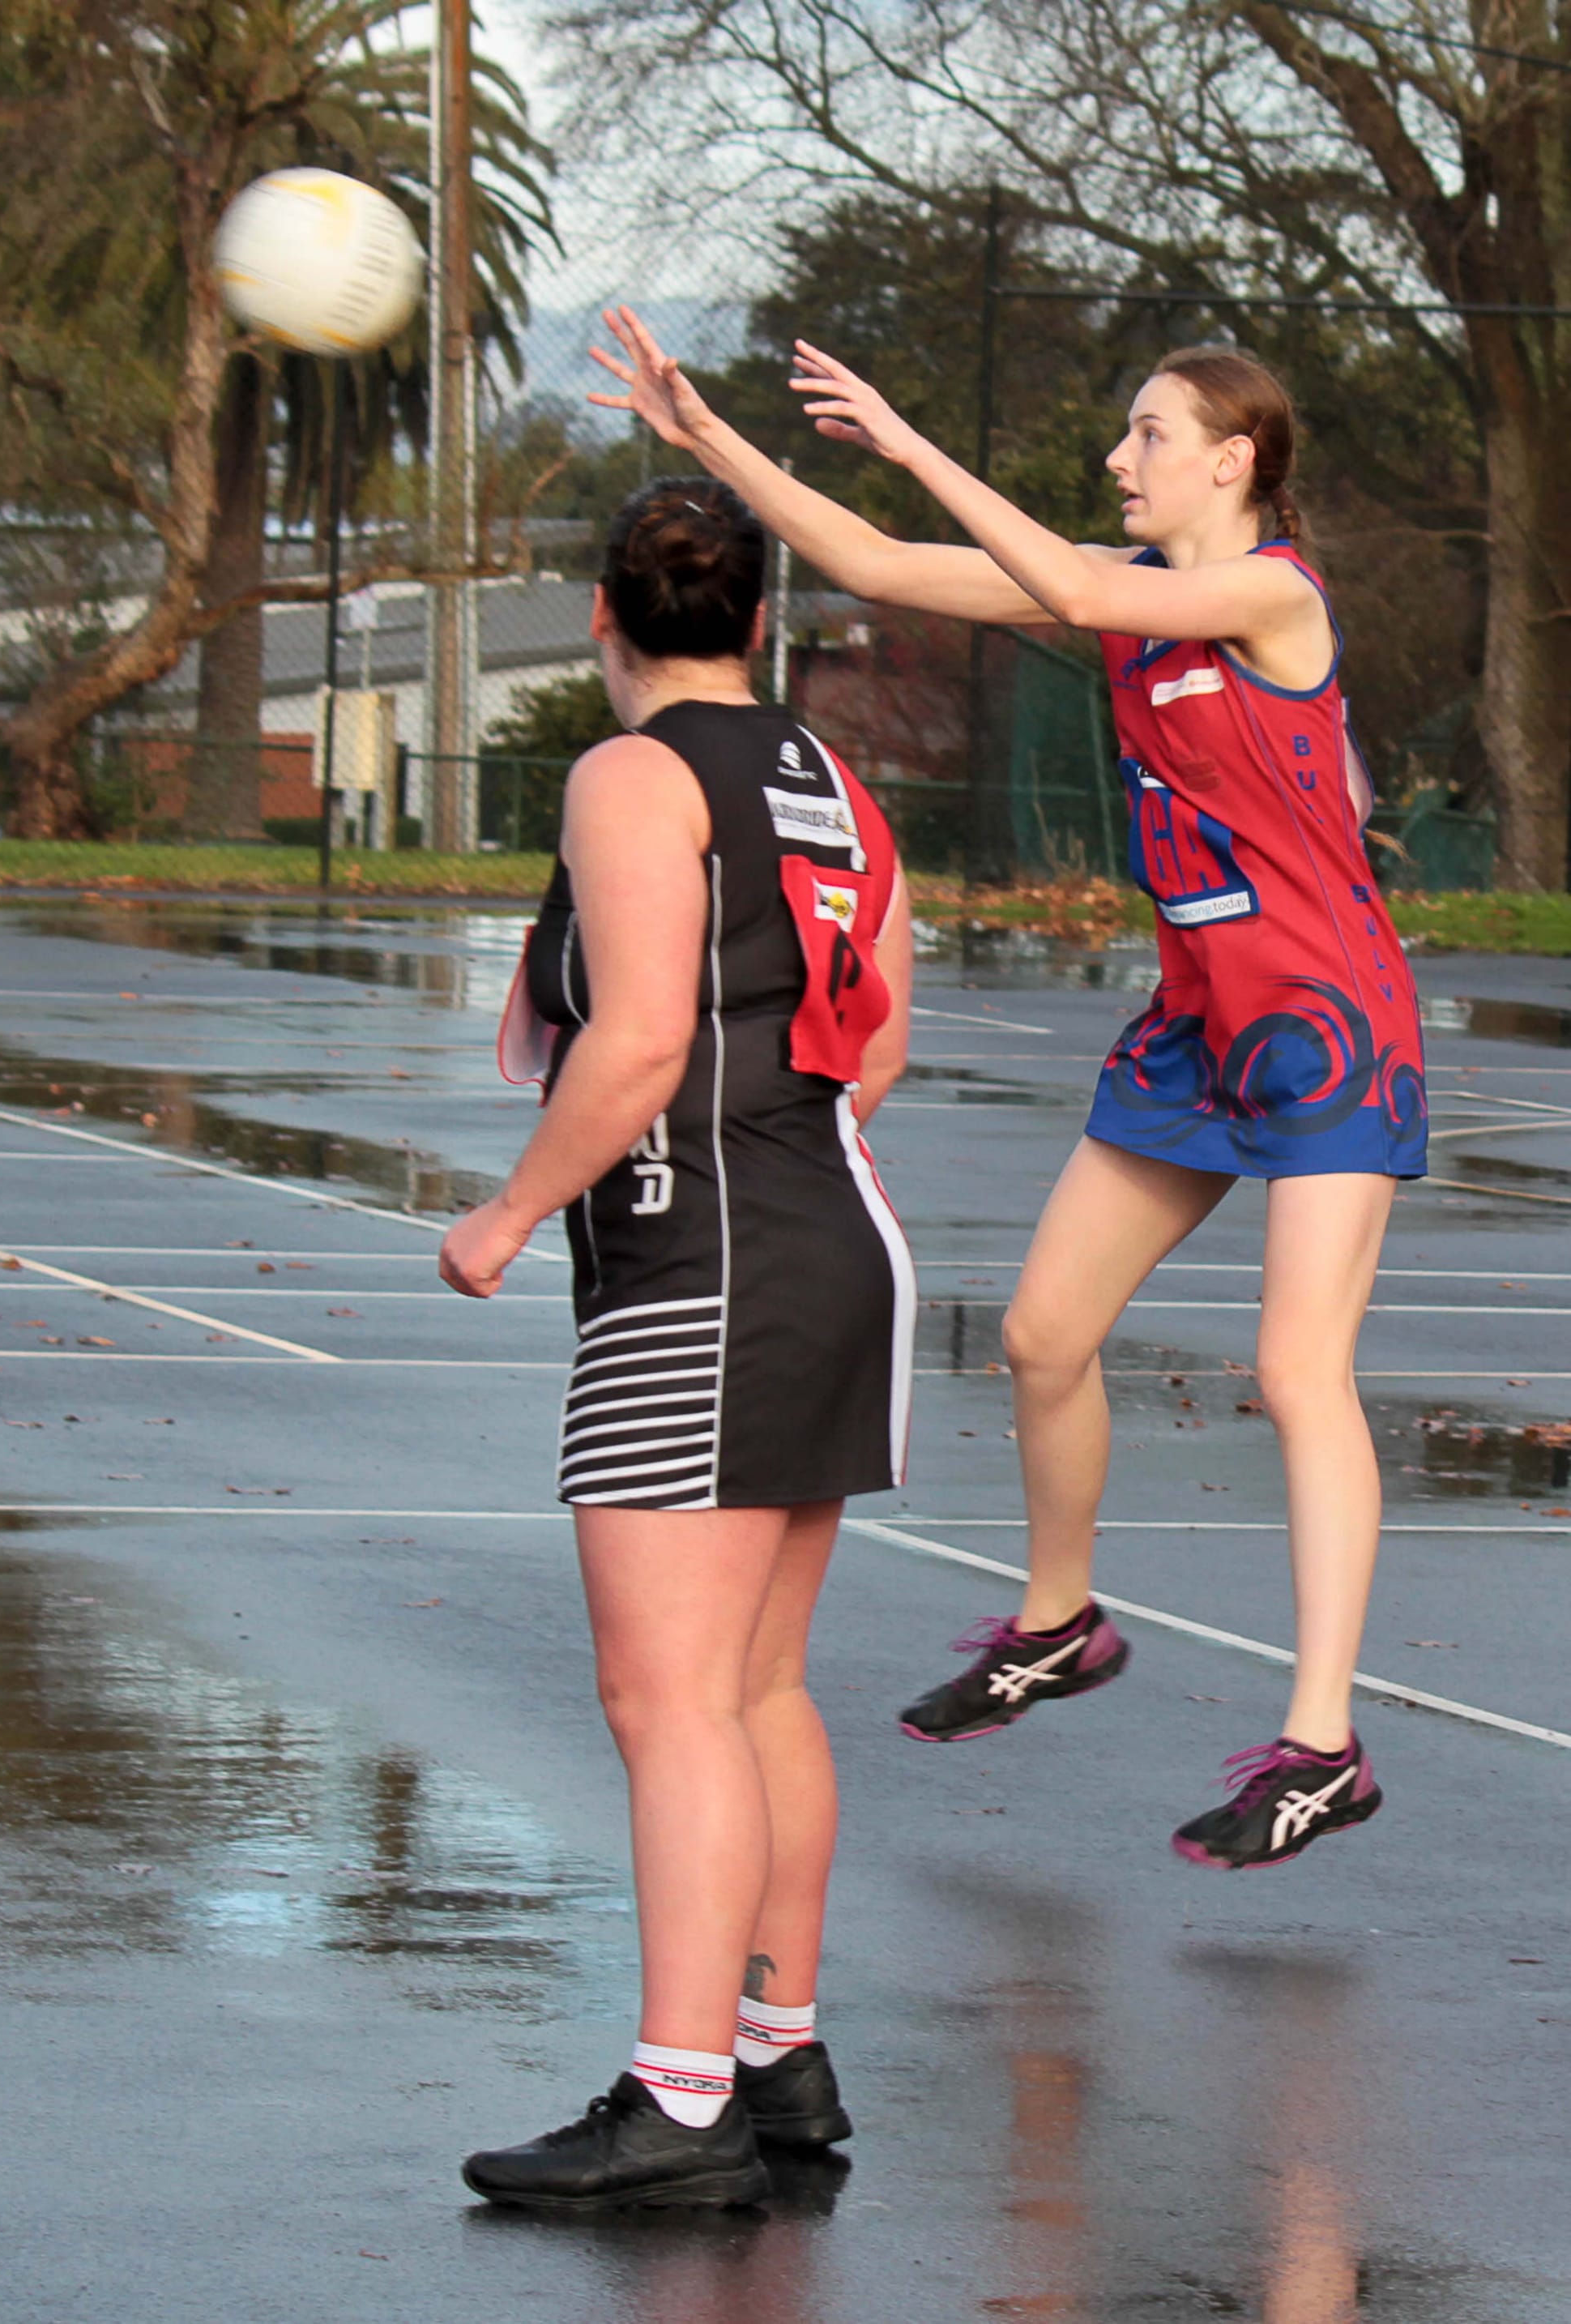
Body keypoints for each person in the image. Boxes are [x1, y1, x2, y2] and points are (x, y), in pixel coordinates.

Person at [590, 307, 1425, 1873]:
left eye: (1150, 436)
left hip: (1327, 1027)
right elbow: (891, 567)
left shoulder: (1268, 594)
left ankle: (1325, 1746)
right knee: (1044, 1335)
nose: (1123, 458)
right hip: (1197, 1028)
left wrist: (914, 440)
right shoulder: (1132, 616)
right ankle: (1062, 1620)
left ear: (1235, 461)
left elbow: (1082, 579)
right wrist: (704, 436)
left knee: (1299, 1371)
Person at [439, 476, 916, 2208]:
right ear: (767, 619)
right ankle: (776, 2061)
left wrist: (503, 1217)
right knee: (757, 1686)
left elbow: (634, 1043)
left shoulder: (632, 776)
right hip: (829, 1239)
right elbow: (872, 1046)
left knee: (665, 1700)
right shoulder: (831, 783)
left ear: (599, 617)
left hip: (702, 1266)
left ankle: (683, 2097)